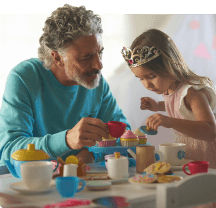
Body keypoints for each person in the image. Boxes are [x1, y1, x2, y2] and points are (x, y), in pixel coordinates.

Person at [0, 4, 131, 172]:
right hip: (29, 183)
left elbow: (126, 135)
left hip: (80, 181)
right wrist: (66, 140)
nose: (99, 64)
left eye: (100, 53)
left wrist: (91, 153)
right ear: (57, 58)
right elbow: (9, 150)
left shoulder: (95, 81)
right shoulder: (25, 77)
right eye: (86, 57)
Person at [122, 29, 216, 207]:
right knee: (187, 197)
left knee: (204, 198)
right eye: (140, 79)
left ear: (170, 65)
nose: (147, 85)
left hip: (206, 160)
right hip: (187, 156)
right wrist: (158, 106)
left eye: (151, 76)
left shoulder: (192, 92)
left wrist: (170, 121)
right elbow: (181, 108)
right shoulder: (169, 89)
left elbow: (210, 131)